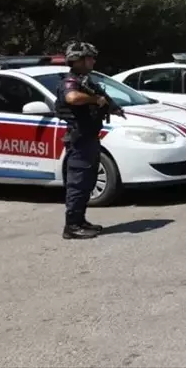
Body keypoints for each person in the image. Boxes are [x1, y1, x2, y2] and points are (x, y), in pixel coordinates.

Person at [54, 41, 123, 240]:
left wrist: (112, 107)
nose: (93, 61)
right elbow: (72, 98)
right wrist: (95, 100)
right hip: (79, 138)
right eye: (89, 57)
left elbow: (101, 97)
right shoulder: (71, 81)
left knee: (88, 182)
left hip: (89, 137)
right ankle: (72, 226)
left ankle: (80, 221)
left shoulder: (85, 80)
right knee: (78, 182)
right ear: (78, 60)